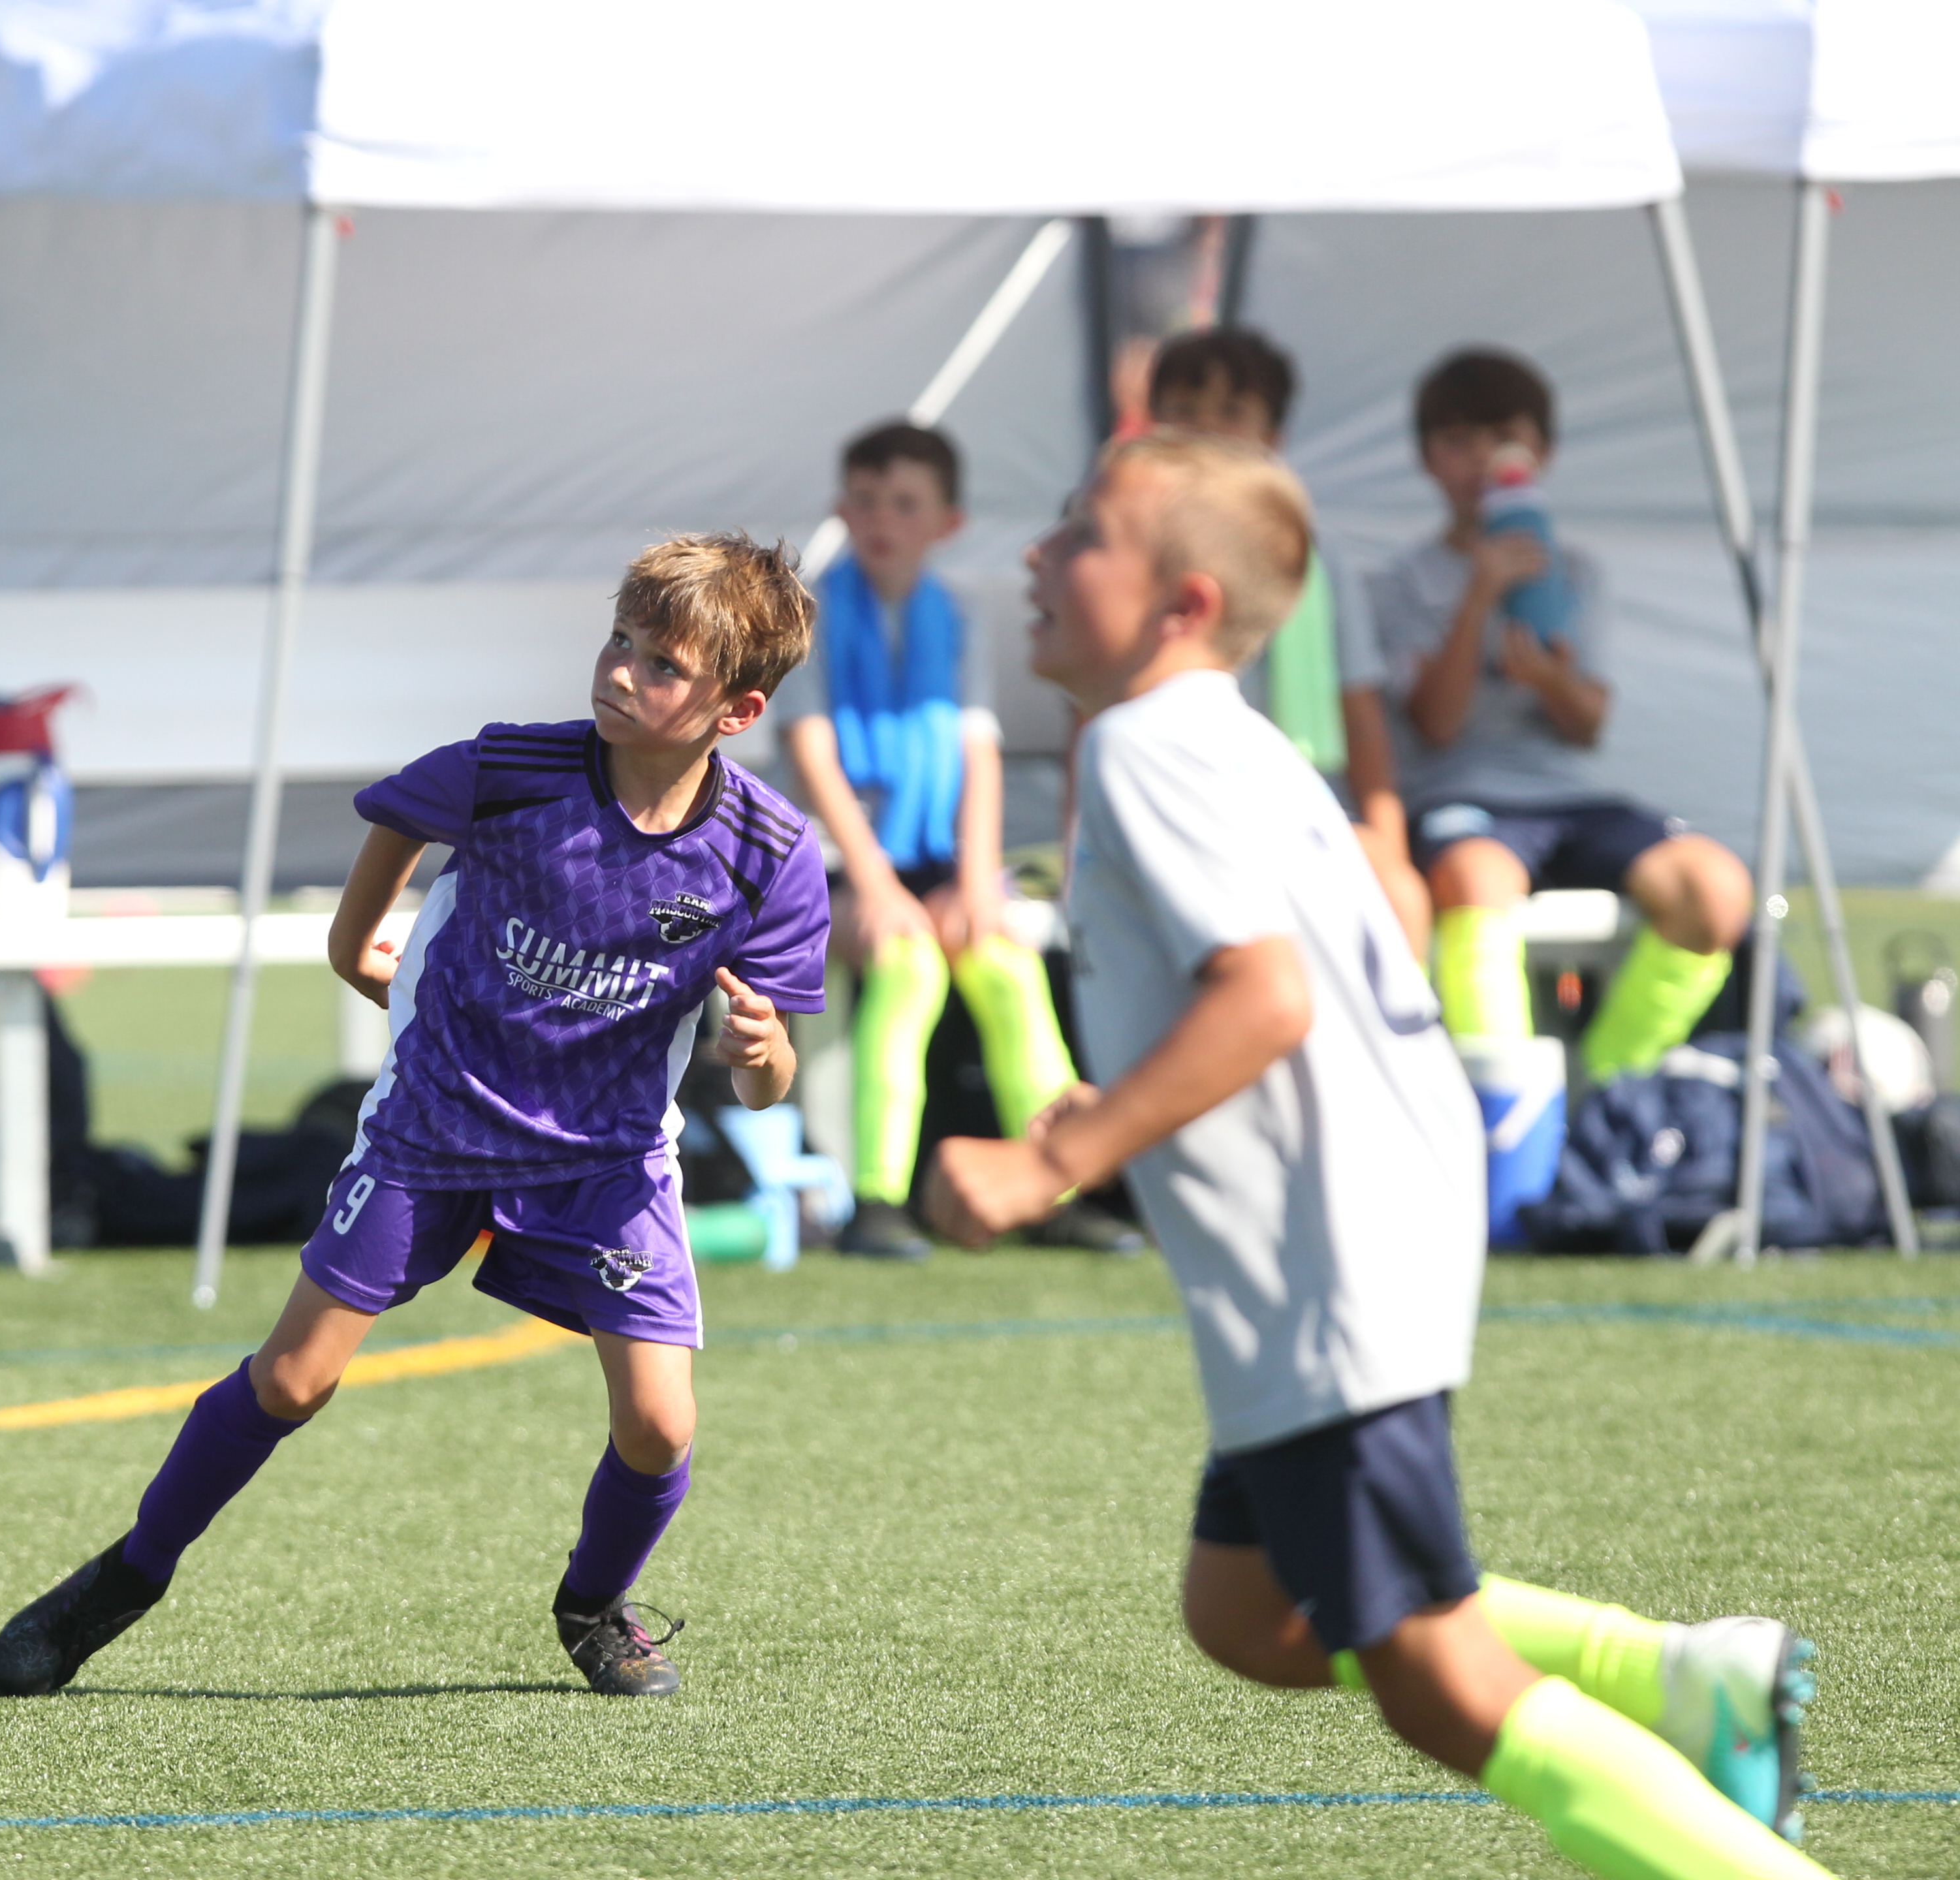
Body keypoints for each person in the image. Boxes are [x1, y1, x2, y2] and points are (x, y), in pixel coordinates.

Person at [928, 430, 1825, 1879]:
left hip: (1332, 1252)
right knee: (1247, 1610)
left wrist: (1056, 1159)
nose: (1038, 553)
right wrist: (1117, 1099)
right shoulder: (1218, 735)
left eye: (1083, 534)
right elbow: (1276, 997)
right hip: (1363, 1222)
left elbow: (1266, 999)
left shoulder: (1146, 745)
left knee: (1436, 1683)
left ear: (1184, 603)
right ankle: (1683, 1680)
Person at [0, 533, 830, 1700]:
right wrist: (354, 944)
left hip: (608, 1163)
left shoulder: (770, 855)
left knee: (660, 1426)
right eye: (619, 639)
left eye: (661, 664)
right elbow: (402, 816)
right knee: (292, 1380)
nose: (620, 669)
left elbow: (767, 1082)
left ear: (736, 712)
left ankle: (594, 1606)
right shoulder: (511, 769)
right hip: (437, 1126)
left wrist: (764, 1053)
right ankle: (127, 1574)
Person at [1373, 349, 1751, 1084]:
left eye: (1502, 439)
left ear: (1541, 452)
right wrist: (1479, 596)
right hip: (1460, 799)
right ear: (1426, 459)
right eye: (1458, 441)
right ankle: (1507, 1102)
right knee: (1476, 880)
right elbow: (1434, 726)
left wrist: (1551, 680)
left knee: (1716, 887)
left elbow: (1588, 727)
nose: (1482, 461)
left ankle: (1613, 1091)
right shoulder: (1397, 583)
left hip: (1568, 798)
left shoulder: (1576, 573)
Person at [772, 422, 1089, 1261]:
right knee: (908, 964)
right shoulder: (804, 617)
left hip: (936, 861)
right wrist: (877, 889)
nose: (884, 518)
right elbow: (814, 757)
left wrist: (979, 882)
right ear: (842, 510)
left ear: (948, 522)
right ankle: (877, 1198)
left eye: (905, 503)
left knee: (1004, 961)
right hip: (829, 867)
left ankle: (1055, 1188)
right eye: (867, 500)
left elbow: (977, 751)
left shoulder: (959, 615)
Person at [1146, 326, 1428, 951]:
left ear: (1274, 437)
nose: (1206, 429)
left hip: (1306, 805)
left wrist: (1390, 844)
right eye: (1185, 409)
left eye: (1232, 411)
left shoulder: (1317, 561)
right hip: (1180, 802)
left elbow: (1361, 711)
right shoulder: (1132, 556)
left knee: (1398, 894)